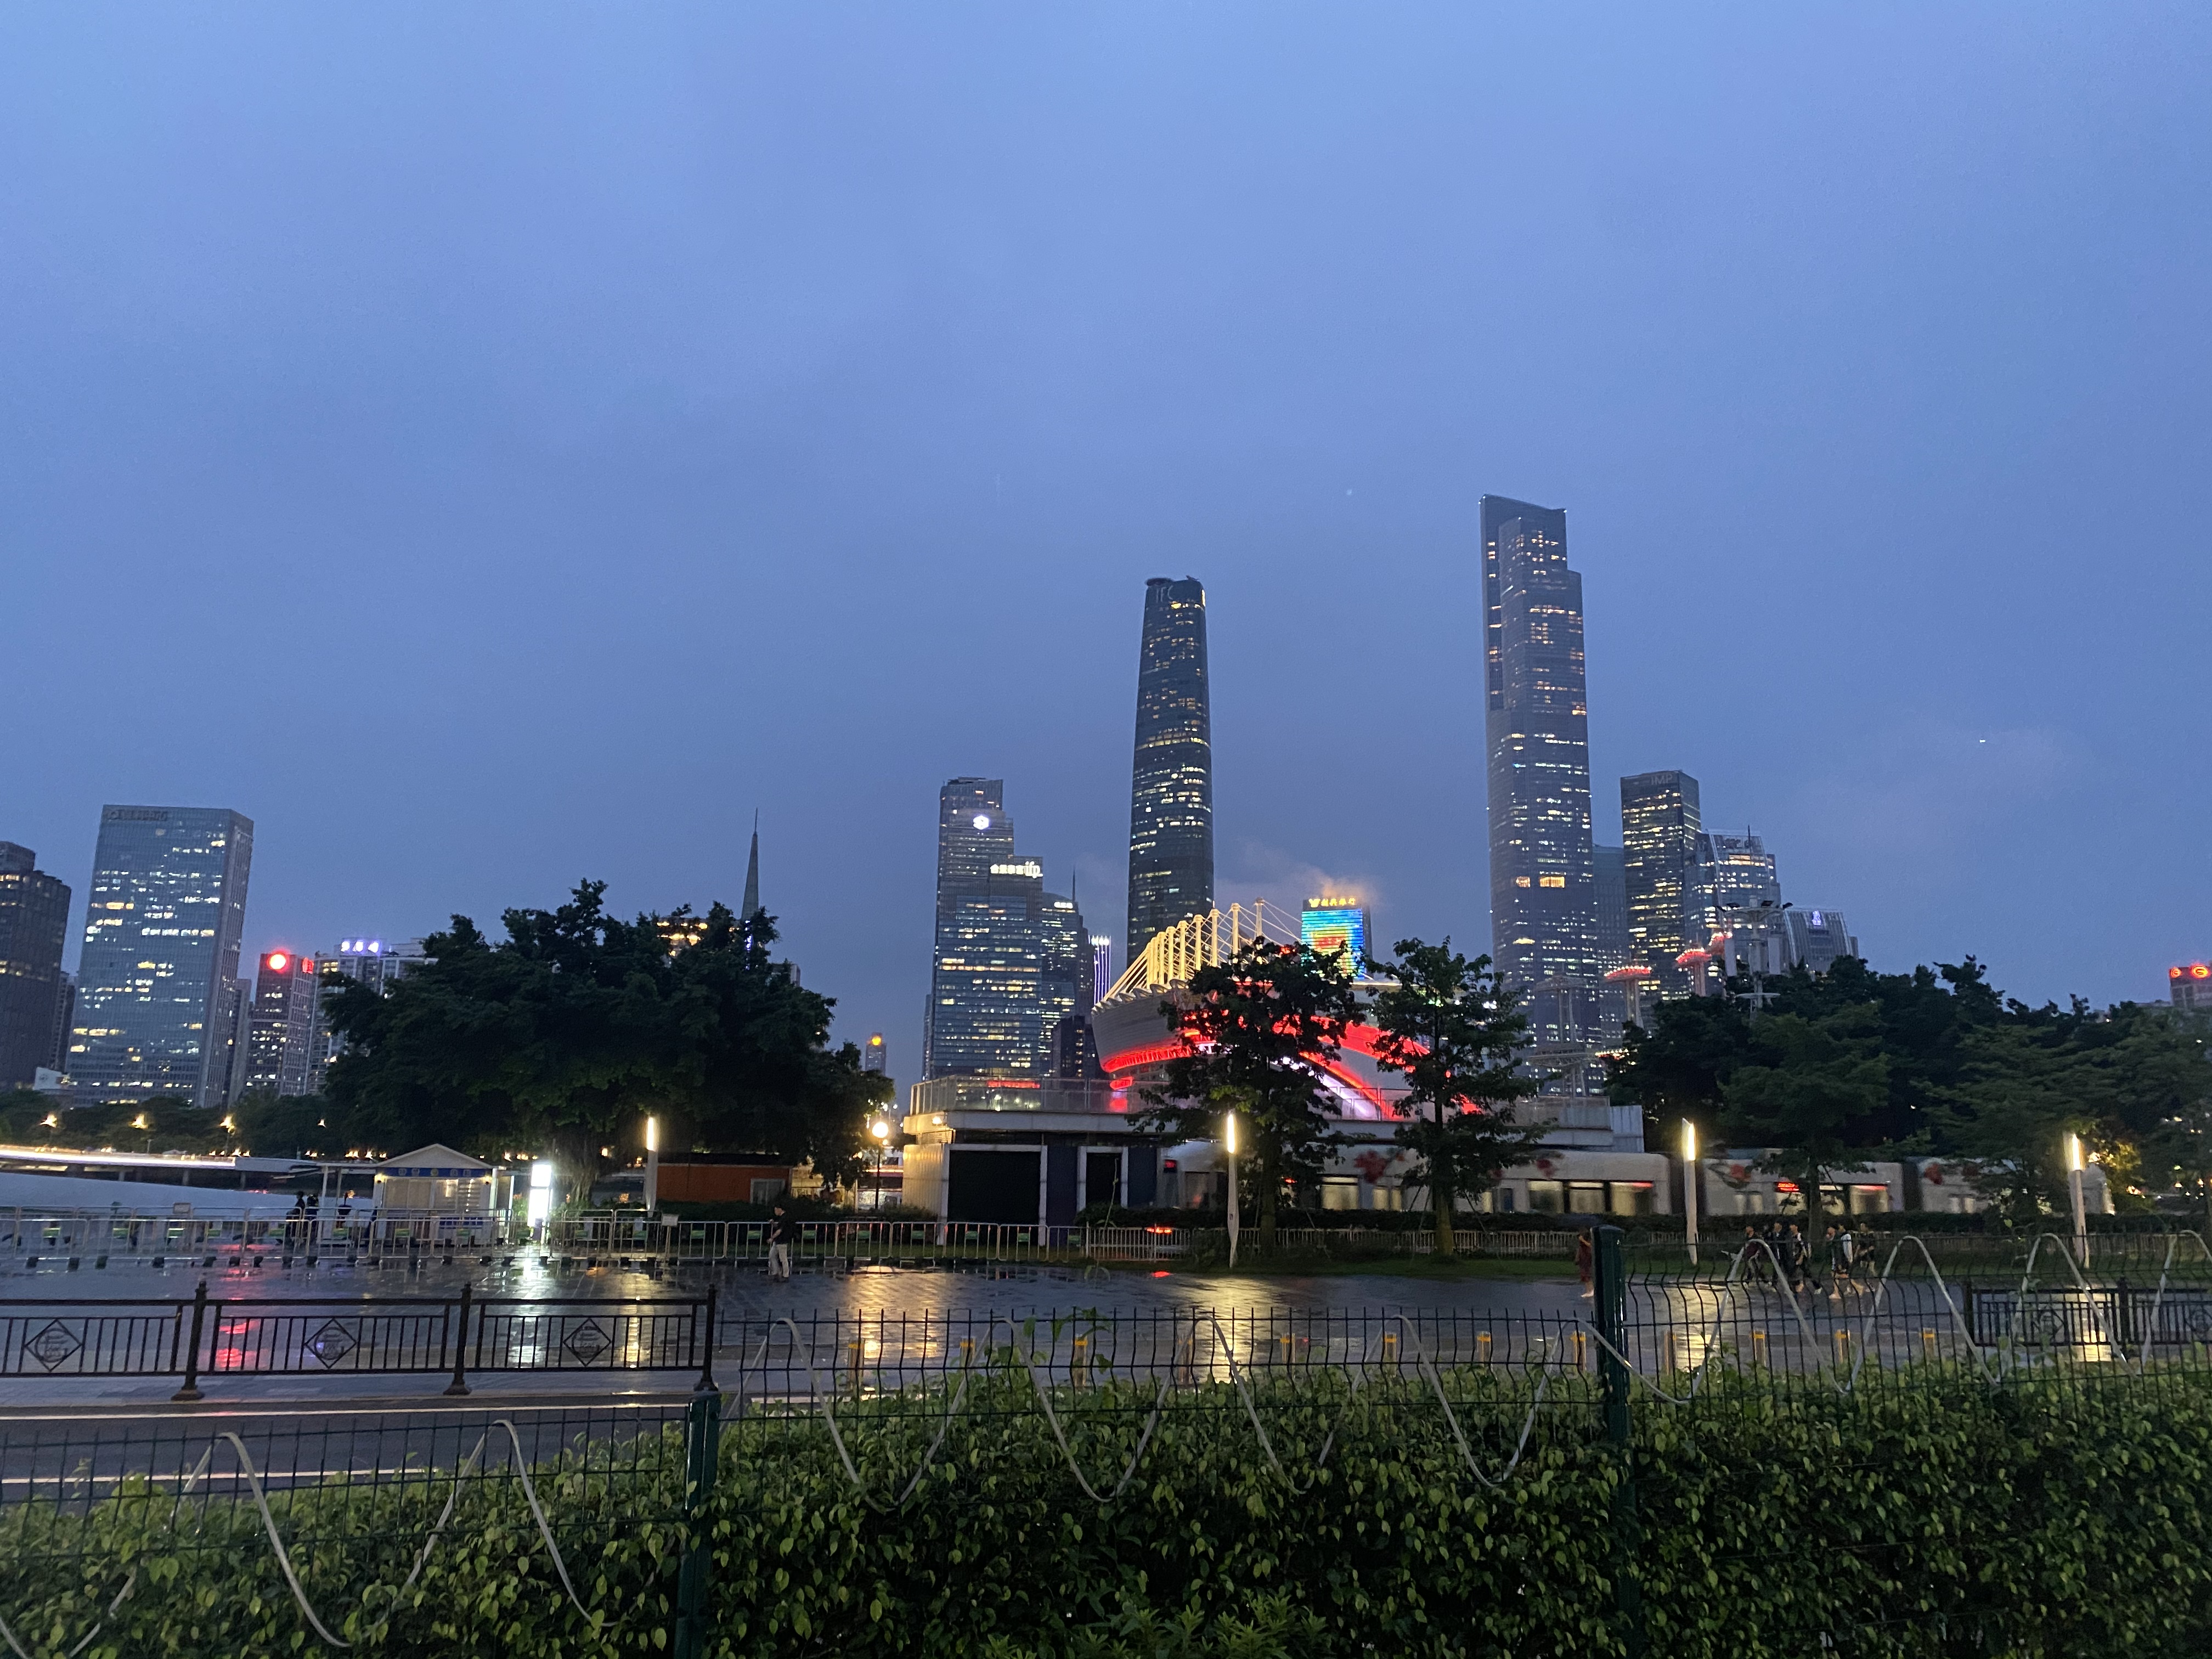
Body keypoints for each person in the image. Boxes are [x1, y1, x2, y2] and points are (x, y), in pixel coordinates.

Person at [765, 1204, 794, 1283]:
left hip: (782, 1241)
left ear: (780, 1209)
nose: (775, 1212)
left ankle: (785, 1275)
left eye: (776, 1210)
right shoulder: (782, 1218)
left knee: (783, 1258)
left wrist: (772, 1238)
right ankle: (776, 1273)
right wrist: (773, 1223)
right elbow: (778, 1227)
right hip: (778, 1241)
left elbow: (779, 1230)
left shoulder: (785, 1218)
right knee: (772, 1255)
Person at [1574, 1228, 1594, 1300]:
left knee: (1588, 1274)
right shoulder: (1581, 1244)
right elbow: (1579, 1249)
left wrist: (1583, 1240)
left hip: (1588, 1259)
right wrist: (1577, 1258)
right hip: (1583, 1259)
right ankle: (1588, 1291)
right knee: (1584, 1275)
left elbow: (1590, 1246)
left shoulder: (1589, 1242)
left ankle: (1591, 1290)